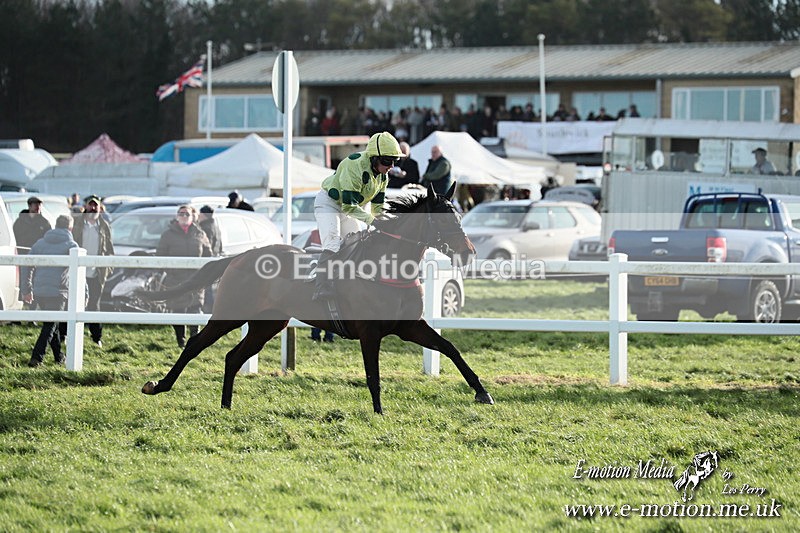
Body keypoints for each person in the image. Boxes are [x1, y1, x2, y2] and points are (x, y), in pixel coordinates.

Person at [312, 131, 405, 300]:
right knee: (333, 243)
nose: (391, 166)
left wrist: (387, 222)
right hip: (330, 204)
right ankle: (321, 287)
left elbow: (377, 208)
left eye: (395, 161)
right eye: (387, 161)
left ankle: (347, 282)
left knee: (356, 244)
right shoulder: (353, 166)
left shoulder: (382, 177)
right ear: (374, 158)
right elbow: (349, 206)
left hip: (350, 208)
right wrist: (374, 222)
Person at [20, 215, 78, 367]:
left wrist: (26, 288)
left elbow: (27, 265)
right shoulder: (72, 246)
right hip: (58, 291)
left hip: (39, 290)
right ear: (70, 228)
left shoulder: (40, 243)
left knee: (52, 324)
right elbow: (79, 272)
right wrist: (84, 293)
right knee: (49, 326)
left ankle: (59, 357)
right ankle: (36, 358)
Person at [157, 205, 212, 348]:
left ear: (192, 216)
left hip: (196, 280)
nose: (184, 216)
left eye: (187, 213)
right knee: (178, 311)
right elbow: (160, 256)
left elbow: (208, 254)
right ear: (176, 216)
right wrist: (171, 271)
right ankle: (180, 342)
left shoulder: (200, 234)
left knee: (195, 310)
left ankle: (194, 342)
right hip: (176, 280)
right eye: (181, 213)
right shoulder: (167, 235)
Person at [69, 195, 114, 347]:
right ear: (85, 206)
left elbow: (109, 249)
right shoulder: (77, 224)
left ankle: (96, 338)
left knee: (94, 305)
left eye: (96, 205)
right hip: (78, 272)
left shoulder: (104, 226)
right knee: (73, 304)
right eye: (90, 205)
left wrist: (107, 269)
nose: (93, 208)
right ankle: (66, 336)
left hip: (97, 274)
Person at [198, 205, 222, 313]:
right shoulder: (215, 226)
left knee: (205, 289)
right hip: (215, 259)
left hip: (207, 261)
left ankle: (208, 311)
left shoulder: (205, 227)